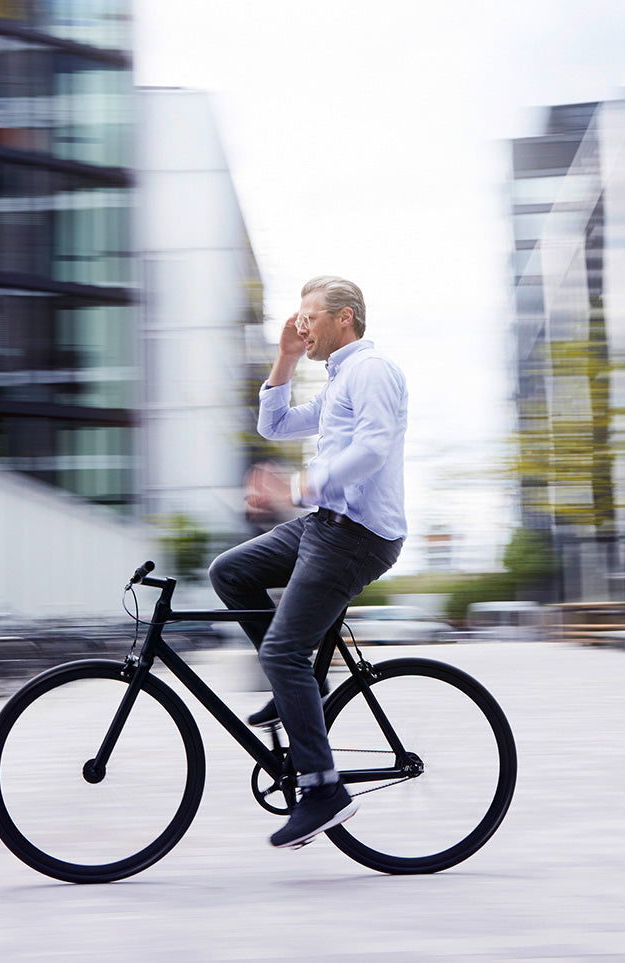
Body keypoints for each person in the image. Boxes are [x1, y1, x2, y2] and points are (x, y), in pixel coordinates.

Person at [207, 275, 407, 849]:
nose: (301, 325)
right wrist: (286, 359)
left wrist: (295, 487)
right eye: (298, 318)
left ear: (345, 317)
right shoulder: (340, 378)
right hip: (325, 526)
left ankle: (323, 791)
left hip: (357, 536)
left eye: (309, 317)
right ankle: (300, 689)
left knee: (282, 651)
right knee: (230, 572)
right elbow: (272, 425)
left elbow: (373, 448)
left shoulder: (372, 370)